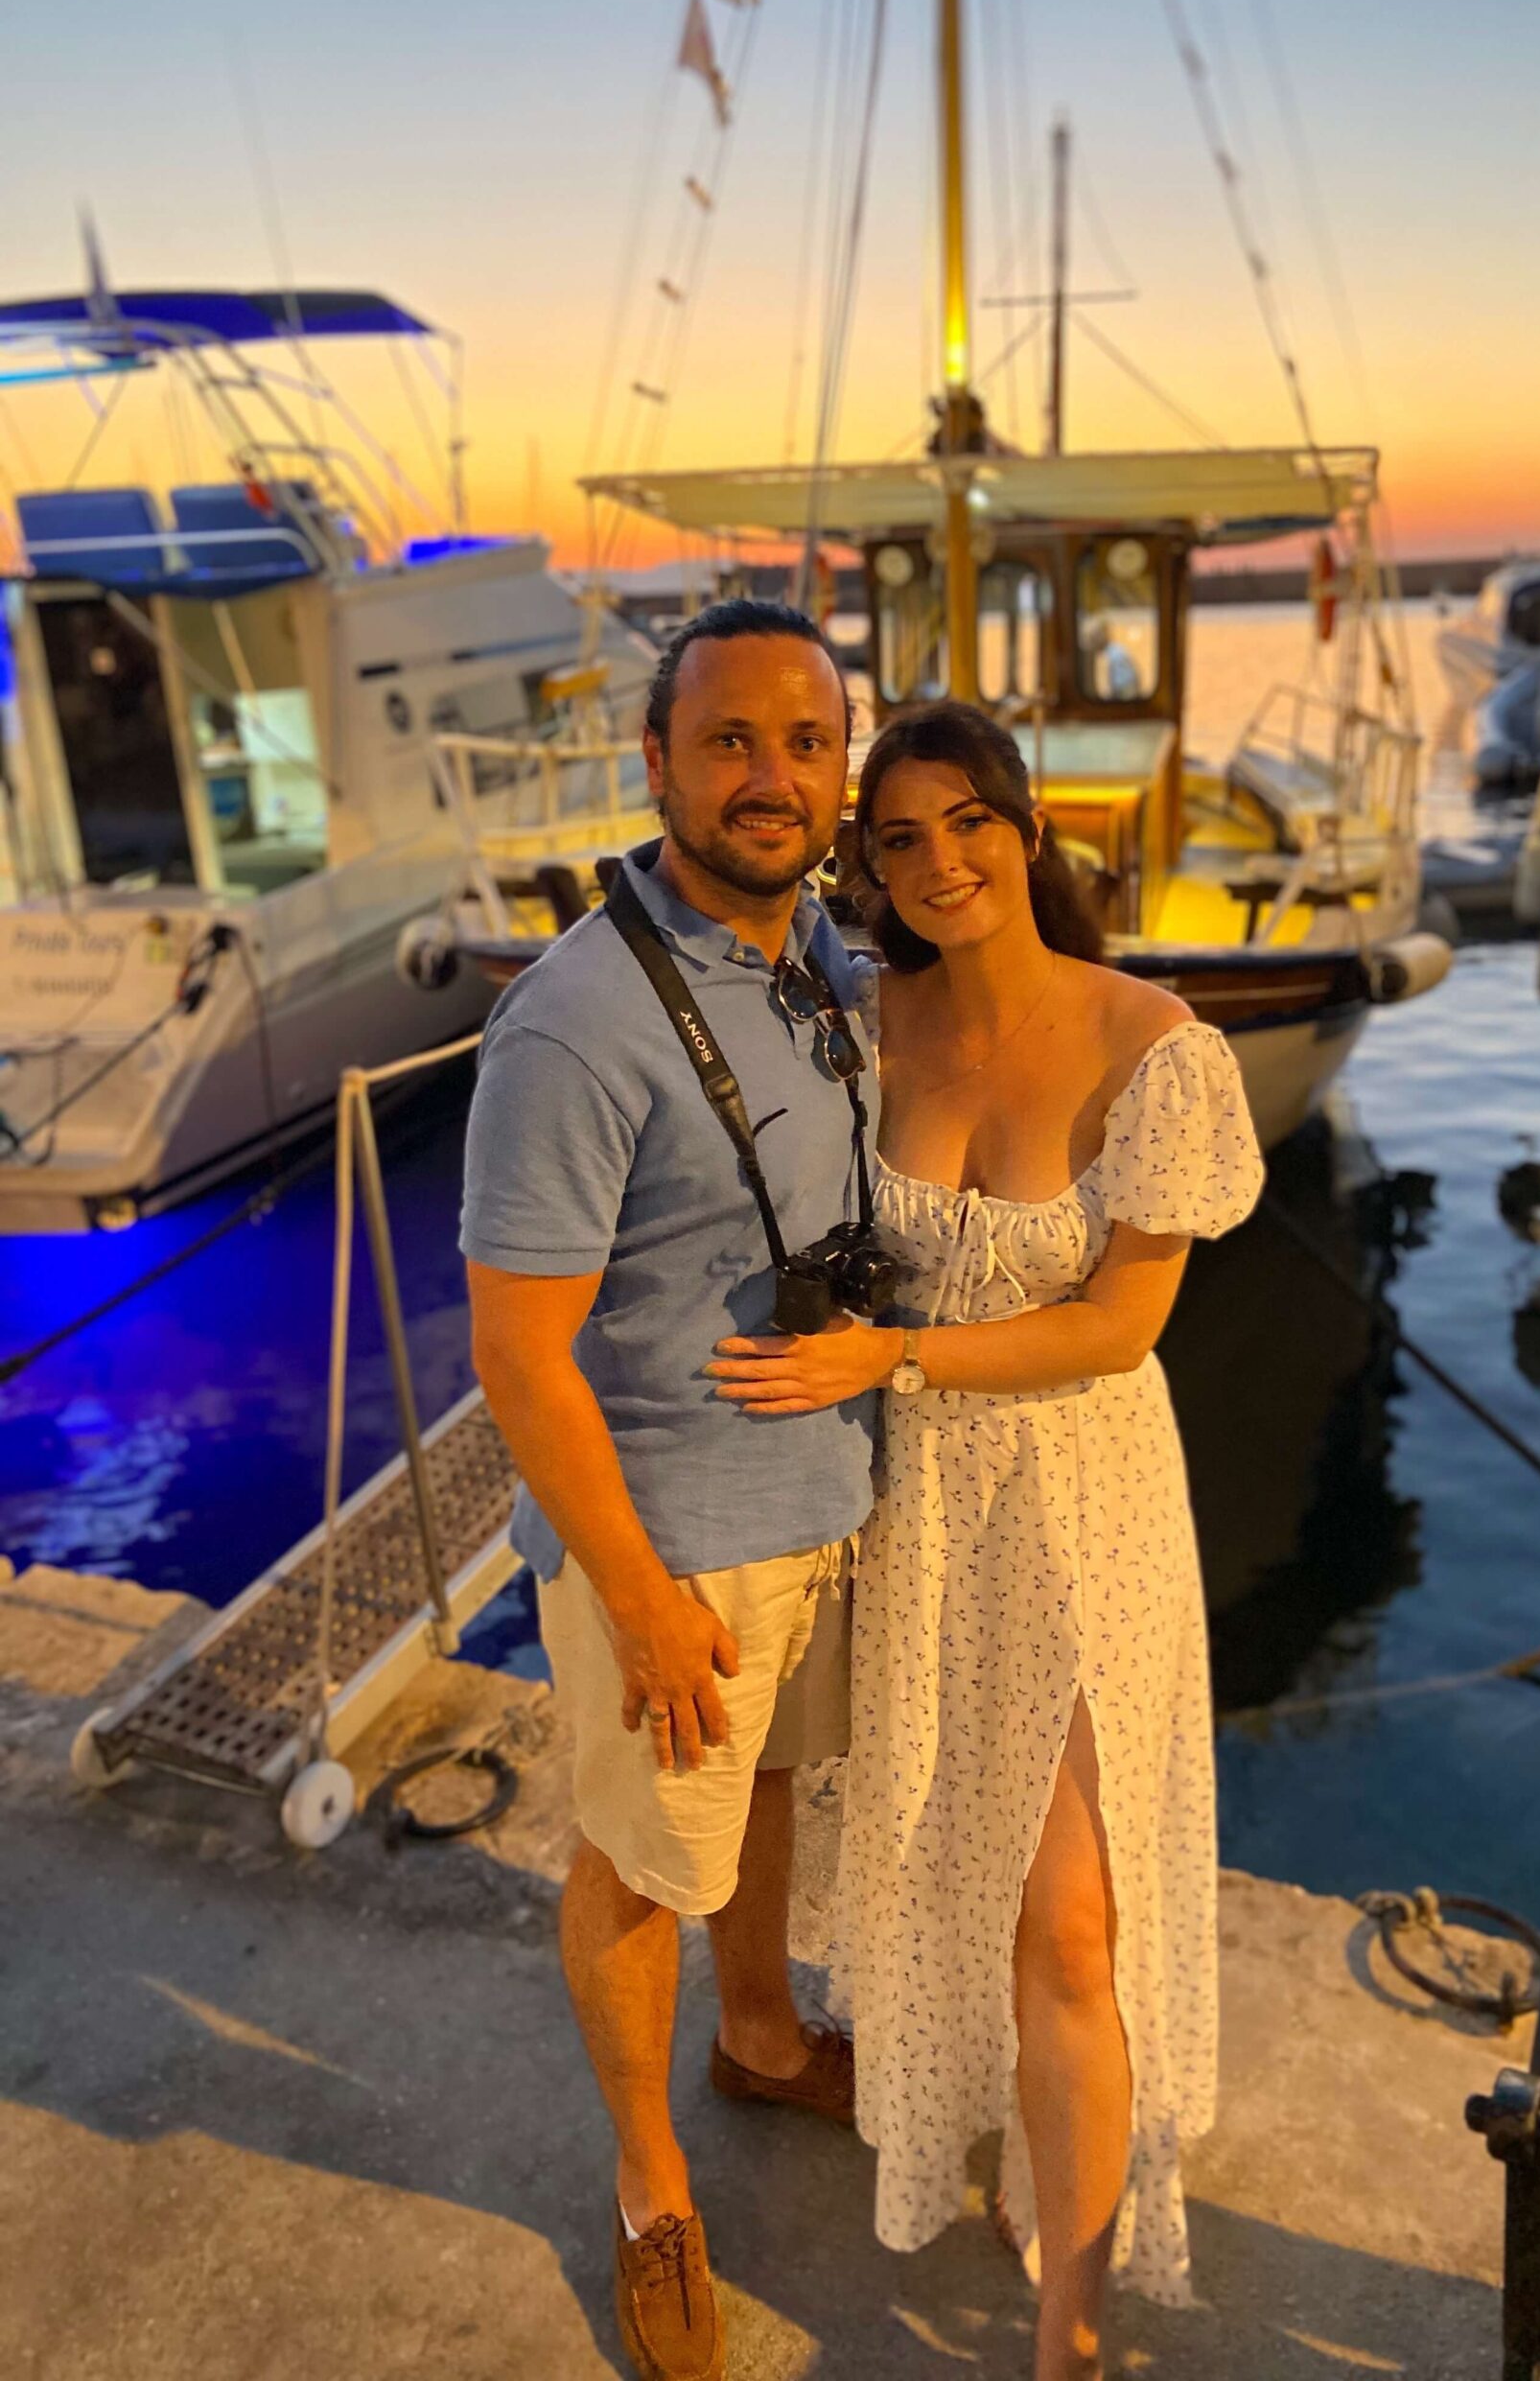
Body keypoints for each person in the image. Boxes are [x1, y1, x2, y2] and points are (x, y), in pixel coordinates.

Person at [707, 700, 1265, 2381]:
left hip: (1081, 1505)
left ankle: (1068, 2326)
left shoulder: (1154, 1043)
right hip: (914, 1509)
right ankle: (996, 2129)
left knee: (1074, 1915)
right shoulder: (866, 1027)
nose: (939, 862)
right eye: (898, 837)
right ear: (866, 867)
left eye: (968, 823)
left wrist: (899, 1356)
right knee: (968, 1876)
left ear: (1026, 830)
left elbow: (1117, 1331)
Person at [462, 597, 876, 2381]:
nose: (771, 776)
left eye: (807, 740)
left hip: (821, 1495)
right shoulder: (574, 1021)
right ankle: (648, 2187)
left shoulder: (817, 949)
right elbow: (517, 1355)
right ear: (656, 762)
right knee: (641, 1867)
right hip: (677, 1542)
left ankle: (765, 2037)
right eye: (730, 740)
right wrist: (631, 1588)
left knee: (772, 1788)